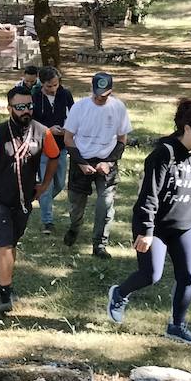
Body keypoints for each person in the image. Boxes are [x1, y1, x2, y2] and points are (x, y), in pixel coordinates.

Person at [106, 99, 191, 346]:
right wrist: (146, 230)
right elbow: (149, 194)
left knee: (188, 276)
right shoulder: (163, 153)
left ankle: (177, 326)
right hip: (155, 227)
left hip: (186, 225)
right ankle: (119, 293)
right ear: (187, 128)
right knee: (151, 274)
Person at [0, 86, 61, 314]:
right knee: (4, 244)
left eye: (29, 106)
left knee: (12, 243)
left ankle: (2, 281)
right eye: (20, 107)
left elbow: (54, 157)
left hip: (23, 201)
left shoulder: (43, 132)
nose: (26, 111)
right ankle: (5, 293)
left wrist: (44, 184)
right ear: (10, 108)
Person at [61, 71, 132, 258]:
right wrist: (82, 163)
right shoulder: (79, 108)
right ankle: (75, 227)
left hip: (107, 161)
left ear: (111, 91)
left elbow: (122, 138)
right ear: (91, 89)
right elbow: (68, 138)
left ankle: (99, 244)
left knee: (105, 204)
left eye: (105, 94)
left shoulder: (118, 108)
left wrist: (109, 162)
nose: (101, 98)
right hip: (81, 160)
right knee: (76, 205)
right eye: (97, 94)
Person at [32, 66, 75, 235]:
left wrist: (68, 129)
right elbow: (31, 121)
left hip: (61, 145)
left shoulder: (65, 95)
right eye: (49, 86)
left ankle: (41, 198)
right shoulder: (35, 97)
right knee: (46, 184)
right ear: (42, 84)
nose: (52, 89)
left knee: (59, 183)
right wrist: (48, 130)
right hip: (42, 146)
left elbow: (74, 114)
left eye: (55, 85)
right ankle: (47, 221)